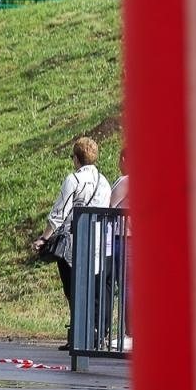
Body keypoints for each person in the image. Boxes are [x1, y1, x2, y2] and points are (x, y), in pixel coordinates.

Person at [31, 135, 112, 350]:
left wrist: (44, 238)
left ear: (76, 158)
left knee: (72, 289)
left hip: (73, 245)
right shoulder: (104, 182)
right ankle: (95, 335)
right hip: (96, 242)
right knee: (92, 289)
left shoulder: (74, 180)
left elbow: (59, 213)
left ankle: (77, 334)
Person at [108, 148, 131, 351]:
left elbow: (108, 207)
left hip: (123, 238)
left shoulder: (125, 181)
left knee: (125, 286)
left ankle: (129, 332)